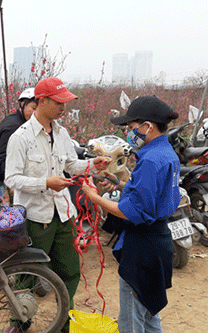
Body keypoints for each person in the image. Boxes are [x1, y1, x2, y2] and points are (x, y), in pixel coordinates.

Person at [4, 77, 110, 332]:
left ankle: (64, 321)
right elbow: (11, 178)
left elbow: (71, 165)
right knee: (29, 274)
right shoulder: (21, 137)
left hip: (63, 215)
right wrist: (45, 183)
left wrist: (93, 164)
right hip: (35, 218)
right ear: (42, 101)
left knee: (70, 271)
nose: (64, 108)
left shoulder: (61, 133)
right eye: (59, 102)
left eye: (66, 102)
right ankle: (18, 322)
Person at [81, 96, 181, 333]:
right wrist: (126, 185)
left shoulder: (150, 160)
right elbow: (156, 196)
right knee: (149, 314)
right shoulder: (166, 154)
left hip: (142, 250)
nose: (129, 133)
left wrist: (93, 195)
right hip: (159, 243)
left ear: (148, 126)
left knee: (131, 321)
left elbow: (130, 212)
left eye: (132, 128)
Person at [0, 88, 38, 226]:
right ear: (22, 104)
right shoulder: (13, 126)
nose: (35, 113)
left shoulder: (18, 121)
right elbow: (1, 158)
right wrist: (13, 180)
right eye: (33, 108)